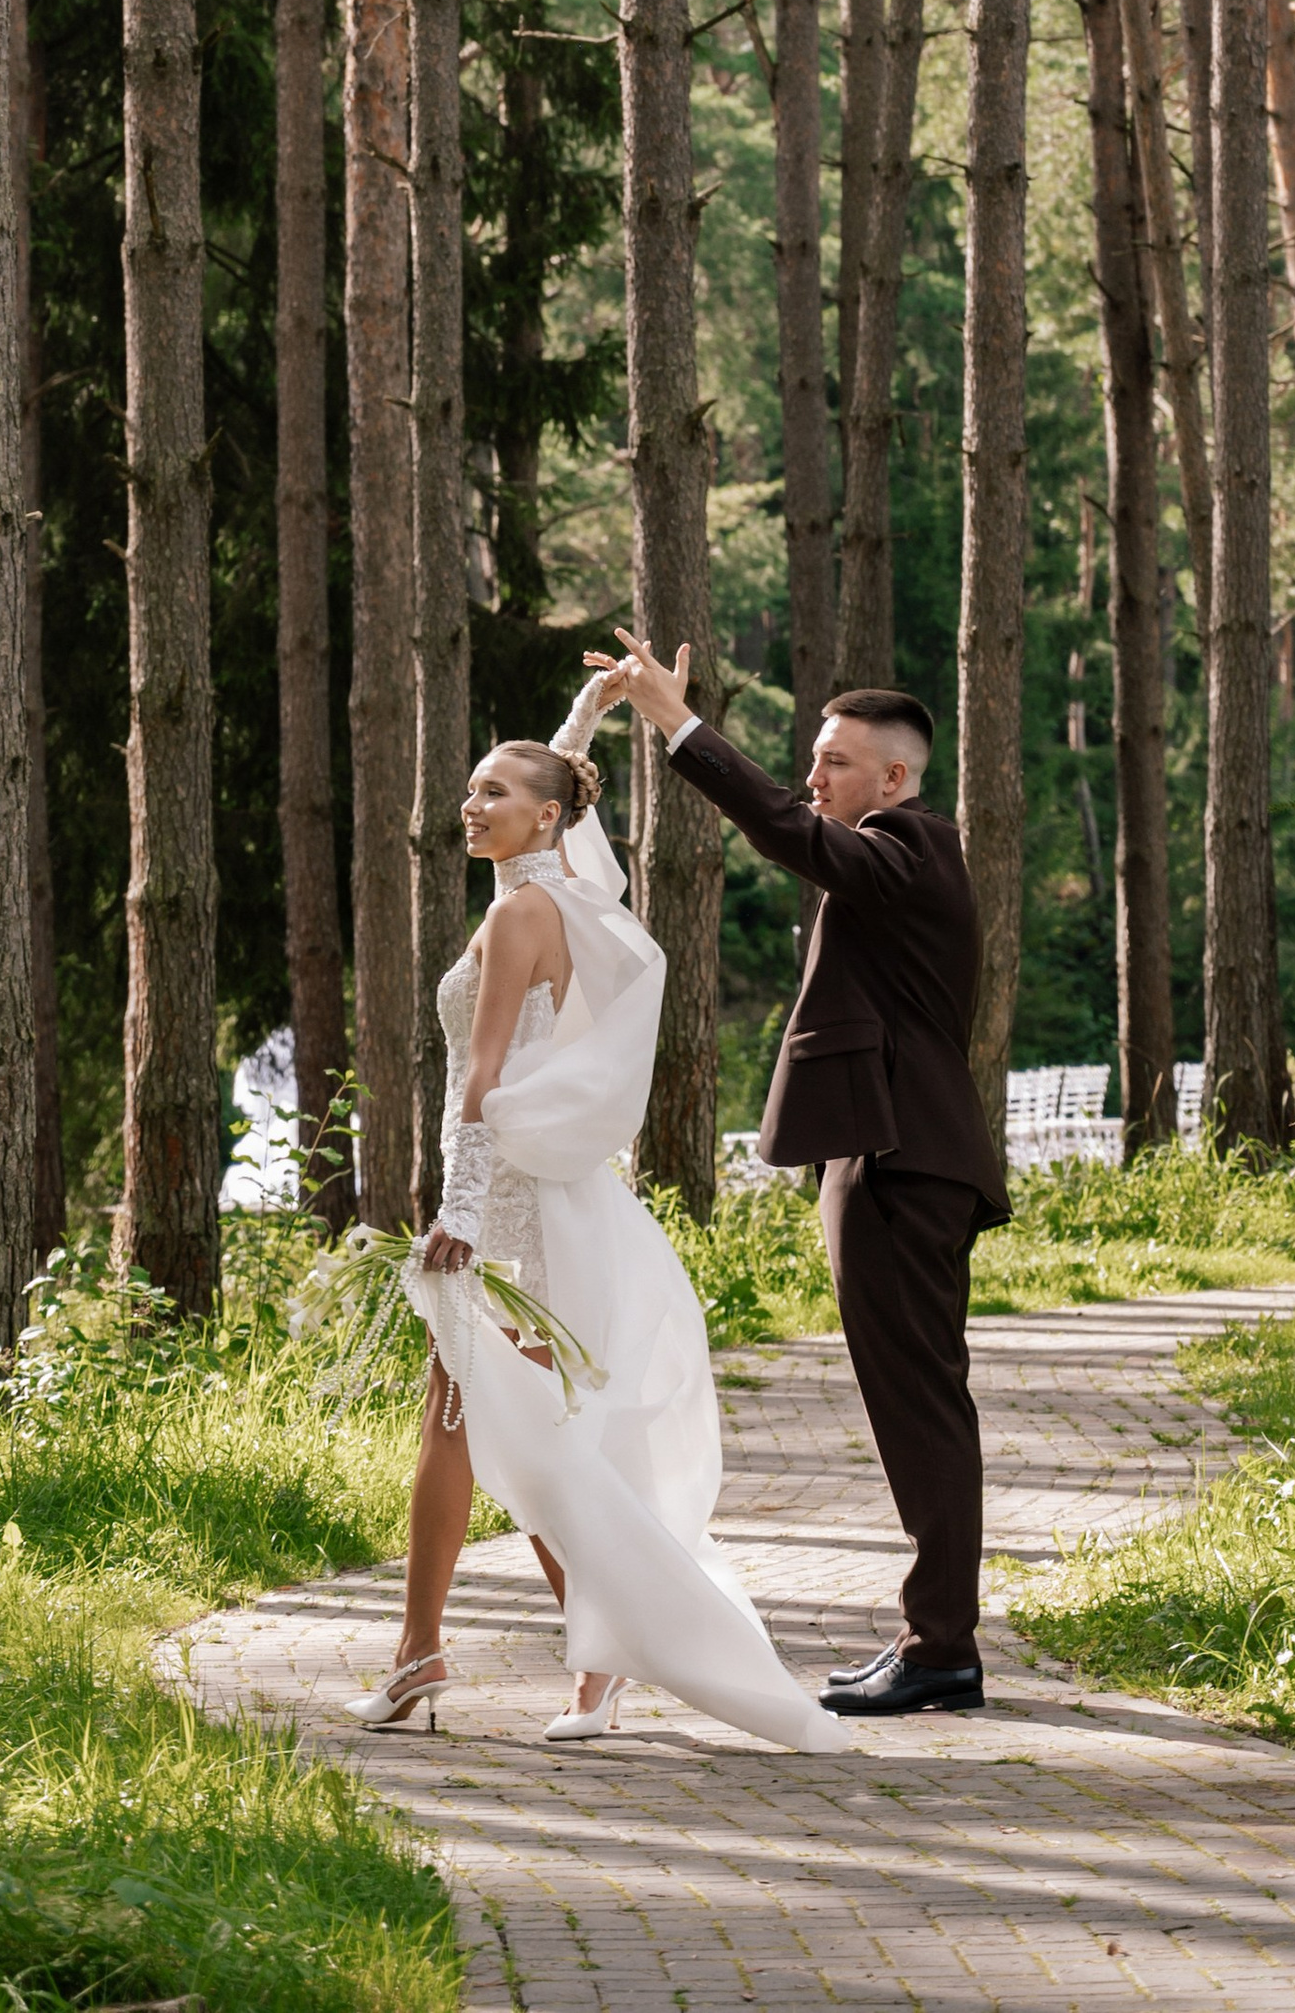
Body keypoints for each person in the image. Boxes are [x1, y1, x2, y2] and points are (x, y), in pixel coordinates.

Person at [347, 690, 839, 1753]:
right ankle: (448, 1652)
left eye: (493, 792)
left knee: (521, 1440)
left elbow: (481, 1077)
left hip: (513, 1212)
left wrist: (461, 1217)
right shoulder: (568, 897)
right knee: (487, 1426)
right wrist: (580, 717)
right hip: (541, 1203)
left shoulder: (519, 913)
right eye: (470, 787)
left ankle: (570, 1654)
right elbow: (568, 802)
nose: (469, 804)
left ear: (544, 821)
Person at [588, 632, 1006, 1717]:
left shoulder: (911, 847)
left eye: (832, 762)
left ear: (894, 777)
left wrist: (677, 725)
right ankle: (936, 1641)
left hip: (902, 1162)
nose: (811, 778)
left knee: (920, 1408)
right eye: (813, 760)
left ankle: (941, 1650)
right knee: (916, 1404)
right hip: (890, 1155)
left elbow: (784, 829)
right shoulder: (901, 855)